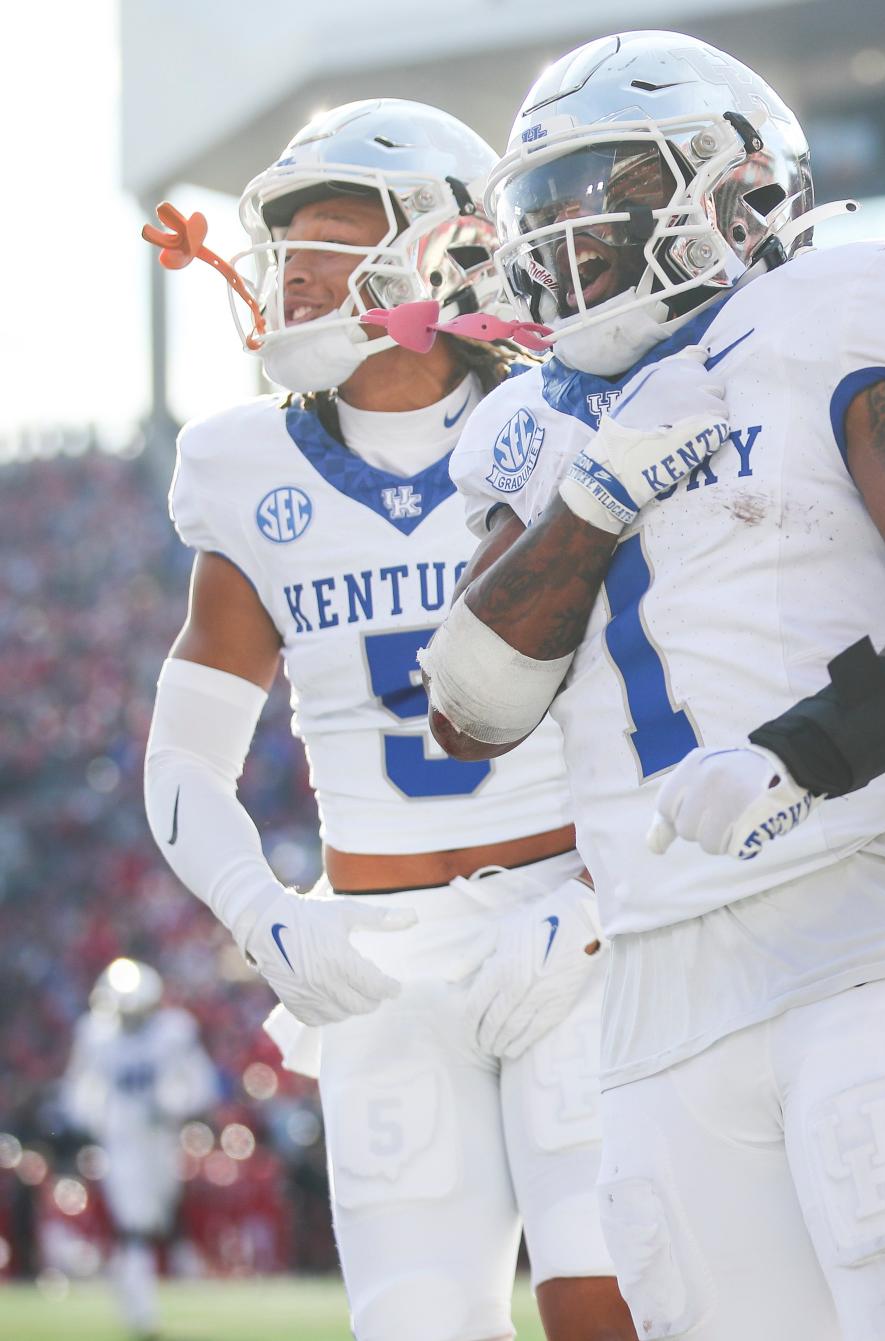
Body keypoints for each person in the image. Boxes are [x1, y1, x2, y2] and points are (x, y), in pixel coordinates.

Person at [426, 31, 885, 1341]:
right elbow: (468, 708)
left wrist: (800, 755)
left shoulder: (837, 316)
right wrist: (593, 502)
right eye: (539, 205)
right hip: (658, 975)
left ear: (732, 190)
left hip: (872, 917)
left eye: (600, 187)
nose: (561, 232)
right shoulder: (532, 422)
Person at [142, 99, 634, 1341]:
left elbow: (678, 704)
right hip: (376, 963)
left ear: (442, 250)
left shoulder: (566, 421)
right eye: (286, 244)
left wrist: (595, 908)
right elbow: (184, 759)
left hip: (574, 930)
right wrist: (263, 920)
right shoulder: (244, 467)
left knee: (615, 1306)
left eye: (328, 239)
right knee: (417, 1325)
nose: (290, 275)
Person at [62, 958, 217, 1340]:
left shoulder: (173, 1032)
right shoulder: (95, 1035)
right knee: (134, 1223)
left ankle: (144, 1279)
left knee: (157, 1216)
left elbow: (202, 1084)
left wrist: (172, 1105)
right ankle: (140, 1308)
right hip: (123, 1140)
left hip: (162, 1139)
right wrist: (97, 1120)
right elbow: (77, 1093)